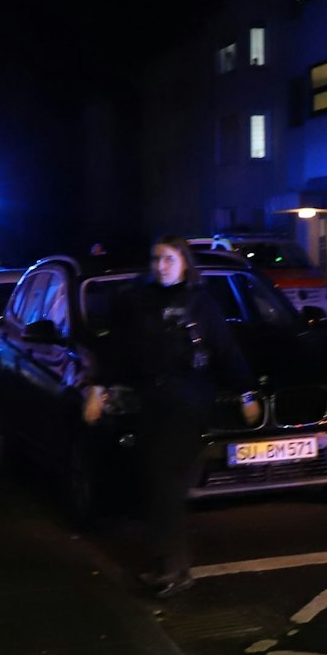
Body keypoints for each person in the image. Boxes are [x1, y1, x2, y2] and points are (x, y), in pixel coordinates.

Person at [92, 235, 258, 598]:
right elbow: (117, 350)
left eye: (168, 259)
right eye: (156, 260)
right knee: (157, 485)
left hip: (188, 403)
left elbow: (226, 351)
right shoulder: (139, 303)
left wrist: (247, 393)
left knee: (166, 482)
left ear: (184, 262)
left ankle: (172, 569)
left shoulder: (201, 304)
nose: (161, 266)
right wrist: (97, 388)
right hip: (152, 402)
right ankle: (170, 565)